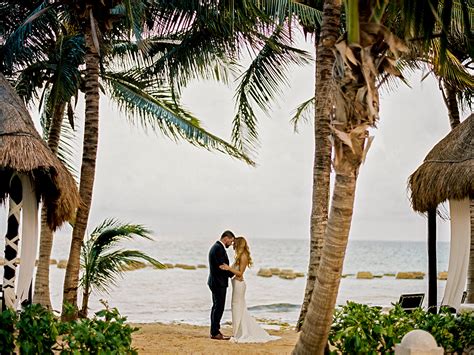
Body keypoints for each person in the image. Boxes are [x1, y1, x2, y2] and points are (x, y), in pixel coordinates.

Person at [220, 236, 280, 343]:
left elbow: (240, 273)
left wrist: (229, 268)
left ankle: (240, 333)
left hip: (239, 286)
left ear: (238, 244)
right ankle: (238, 331)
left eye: (234, 243)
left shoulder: (243, 256)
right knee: (237, 308)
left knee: (238, 307)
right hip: (236, 285)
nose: (232, 245)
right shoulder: (239, 256)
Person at [208, 230, 235, 340]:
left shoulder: (217, 247)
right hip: (218, 282)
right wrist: (234, 274)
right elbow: (222, 267)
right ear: (226, 238)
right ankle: (215, 333)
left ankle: (214, 331)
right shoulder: (218, 248)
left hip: (215, 281)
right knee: (218, 307)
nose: (231, 244)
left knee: (216, 307)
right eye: (231, 241)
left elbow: (223, 266)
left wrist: (229, 270)